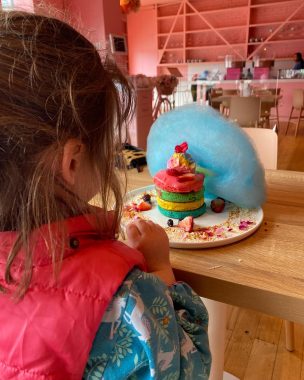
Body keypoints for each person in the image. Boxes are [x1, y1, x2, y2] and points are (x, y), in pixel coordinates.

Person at [0, 11, 211, 380]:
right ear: (73, 160)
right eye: (108, 143)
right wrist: (161, 271)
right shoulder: (131, 298)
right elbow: (187, 364)